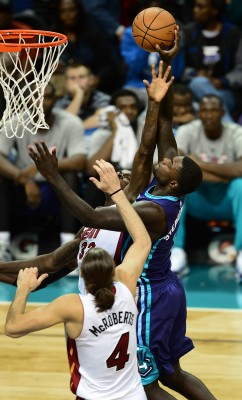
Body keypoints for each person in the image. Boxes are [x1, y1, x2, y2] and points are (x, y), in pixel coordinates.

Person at [28, 32, 216, 399]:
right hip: (168, 289)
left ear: (175, 181)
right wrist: (162, 87)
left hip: (146, 295)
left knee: (145, 383)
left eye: (171, 163)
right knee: (173, 373)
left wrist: (52, 175)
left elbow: (91, 215)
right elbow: (164, 132)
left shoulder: (152, 209)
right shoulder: (167, 188)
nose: (167, 158)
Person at [4, 159, 151, 400]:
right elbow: (142, 241)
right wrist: (116, 193)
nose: (122, 176)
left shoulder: (72, 306)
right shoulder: (126, 287)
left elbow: (13, 328)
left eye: (126, 176)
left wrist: (23, 289)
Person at [0, 82, 86, 260]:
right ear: (27, 100)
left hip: (56, 187)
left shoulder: (71, 122)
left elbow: (79, 161)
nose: (40, 102)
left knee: (70, 176)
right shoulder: (14, 122)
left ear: (55, 100)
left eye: (46, 97)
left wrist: (43, 166)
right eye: (35, 97)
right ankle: (2, 244)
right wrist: (22, 178)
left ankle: (68, 248)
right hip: (24, 187)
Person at [170, 93, 242, 282]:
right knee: (177, 184)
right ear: (199, 113)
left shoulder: (236, 132)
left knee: (240, 185)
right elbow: (180, 167)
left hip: (228, 200)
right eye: (204, 111)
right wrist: (224, 174)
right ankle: (176, 251)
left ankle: (240, 251)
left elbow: (240, 170)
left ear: (222, 112)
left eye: (213, 110)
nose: (209, 115)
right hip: (198, 199)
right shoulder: (187, 131)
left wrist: (199, 163)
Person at [181, 0, 242, 119]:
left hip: (226, 91)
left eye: (201, 7)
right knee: (199, 84)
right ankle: (231, 131)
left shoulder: (233, 34)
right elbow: (178, 67)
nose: (195, 10)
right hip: (193, 90)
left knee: (201, 108)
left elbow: (240, 70)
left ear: (214, 10)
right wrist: (194, 73)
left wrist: (222, 81)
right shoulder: (188, 33)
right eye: (195, 6)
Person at [54, 62, 111, 133]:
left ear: (91, 80)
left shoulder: (102, 98)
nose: (77, 81)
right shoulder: (60, 102)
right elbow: (64, 124)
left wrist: (77, 129)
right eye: (72, 78)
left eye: (81, 77)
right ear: (66, 83)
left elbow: (101, 118)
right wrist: (79, 95)